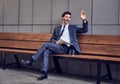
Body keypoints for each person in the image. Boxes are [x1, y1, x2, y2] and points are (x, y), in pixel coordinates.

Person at [21, 10, 88, 81]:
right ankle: (44, 73)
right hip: (57, 47)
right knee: (46, 51)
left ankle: (31, 61)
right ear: (62, 18)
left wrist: (84, 20)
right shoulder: (57, 28)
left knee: (46, 44)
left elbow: (84, 30)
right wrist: (56, 42)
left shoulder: (73, 28)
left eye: (69, 17)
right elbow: (52, 39)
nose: (68, 18)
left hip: (66, 48)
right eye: (66, 17)